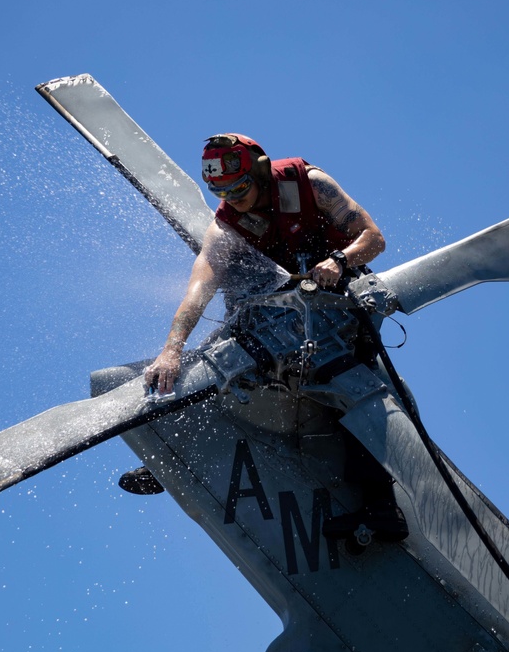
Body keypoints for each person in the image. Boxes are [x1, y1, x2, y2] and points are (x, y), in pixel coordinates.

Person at [122, 133, 407, 542]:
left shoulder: (311, 184)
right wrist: (171, 350)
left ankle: (383, 508)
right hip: (269, 316)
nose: (232, 199)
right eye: (220, 191)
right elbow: (197, 291)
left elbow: (374, 239)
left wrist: (340, 260)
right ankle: (174, 456)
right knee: (210, 366)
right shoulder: (225, 227)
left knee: (350, 392)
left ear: (258, 172)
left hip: (334, 313)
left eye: (239, 188)